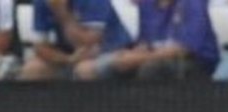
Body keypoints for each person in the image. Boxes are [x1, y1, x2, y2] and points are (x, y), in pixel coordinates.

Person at [75, 0, 220, 80]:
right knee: (86, 69)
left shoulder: (192, 3)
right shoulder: (147, 4)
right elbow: (146, 42)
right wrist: (127, 54)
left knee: (150, 69)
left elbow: (184, 48)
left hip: (194, 63)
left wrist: (138, 58)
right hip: (151, 56)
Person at [18, 0, 132, 80]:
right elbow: (40, 48)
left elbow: (89, 44)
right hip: (70, 54)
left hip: (111, 50)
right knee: (32, 69)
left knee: (84, 70)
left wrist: (62, 13)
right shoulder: (42, 2)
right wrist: (68, 59)